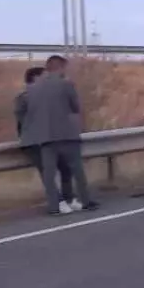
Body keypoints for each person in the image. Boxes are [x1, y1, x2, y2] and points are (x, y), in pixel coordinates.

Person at [19, 55, 97, 215]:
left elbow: (30, 113)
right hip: (67, 135)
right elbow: (75, 107)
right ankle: (85, 201)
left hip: (45, 137)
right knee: (76, 170)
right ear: (60, 68)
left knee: (48, 174)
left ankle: (54, 206)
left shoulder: (32, 90)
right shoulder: (66, 84)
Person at [16, 66, 79, 211]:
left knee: (65, 167)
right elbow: (23, 121)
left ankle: (69, 199)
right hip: (35, 141)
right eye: (45, 77)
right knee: (47, 172)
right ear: (36, 78)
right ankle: (58, 202)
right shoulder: (24, 97)